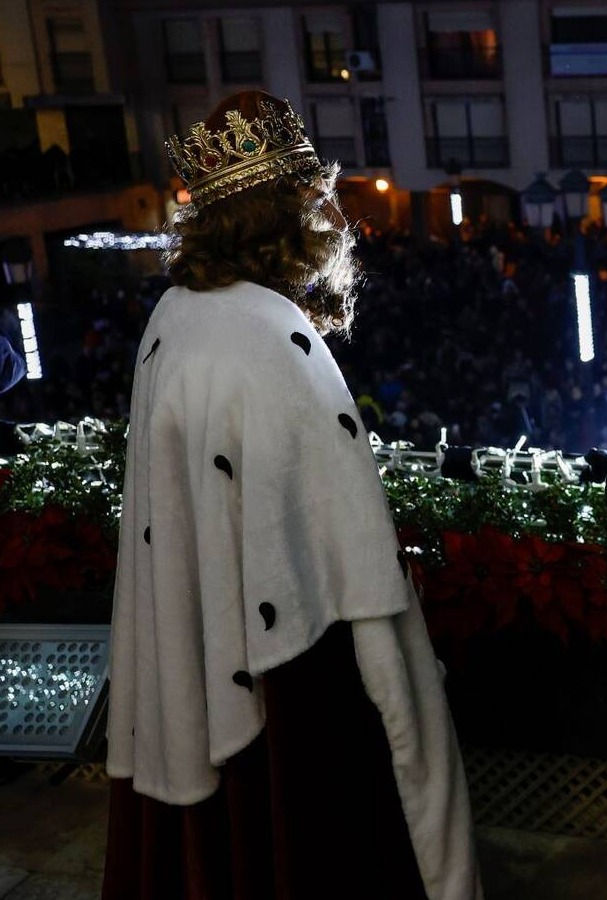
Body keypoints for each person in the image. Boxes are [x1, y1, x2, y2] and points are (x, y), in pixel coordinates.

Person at [102, 91, 480, 900]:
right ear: (284, 215)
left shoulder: (180, 311)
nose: (333, 219)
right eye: (318, 201)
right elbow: (332, 561)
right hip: (287, 676)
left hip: (215, 642)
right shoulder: (269, 341)